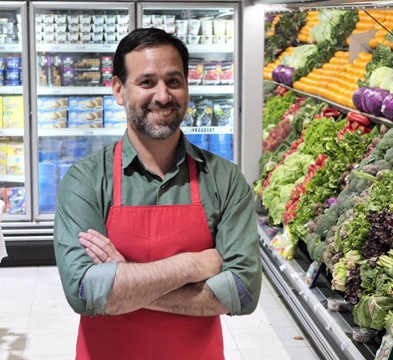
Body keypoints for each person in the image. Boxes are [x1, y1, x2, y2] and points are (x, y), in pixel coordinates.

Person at [53, 28, 262, 360]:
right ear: (119, 90)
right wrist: (193, 264)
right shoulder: (86, 180)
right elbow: (85, 292)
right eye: (147, 82)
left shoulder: (225, 179)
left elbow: (242, 292)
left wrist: (125, 279)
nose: (163, 96)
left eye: (174, 81)